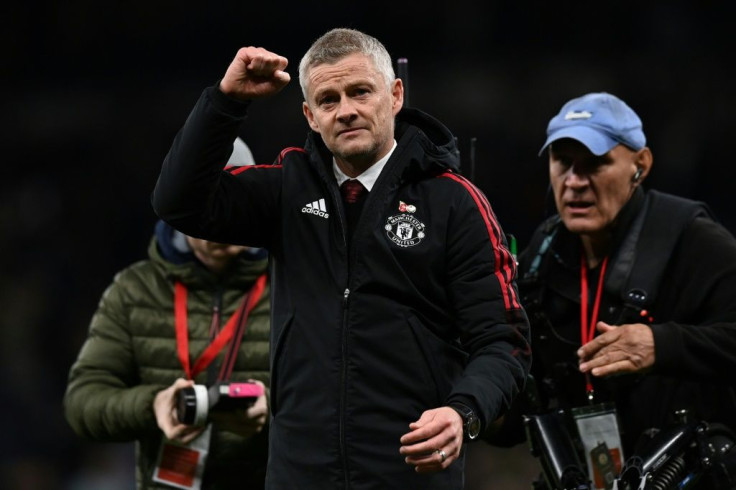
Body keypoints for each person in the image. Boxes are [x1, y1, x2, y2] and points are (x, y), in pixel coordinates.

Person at [151, 27, 531, 489]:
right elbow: (177, 201)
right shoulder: (286, 191)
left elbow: (503, 341)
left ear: (394, 95)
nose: (346, 110)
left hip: (409, 474)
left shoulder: (455, 203)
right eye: (329, 100)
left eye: (360, 92)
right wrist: (227, 100)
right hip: (299, 475)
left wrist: (462, 412)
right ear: (311, 116)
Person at [489, 92, 736, 488]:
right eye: (563, 162)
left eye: (595, 163)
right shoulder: (543, 256)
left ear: (641, 165)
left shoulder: (693, 240)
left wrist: (663, 344)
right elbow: (521, 410)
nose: (574, 181)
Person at [63, 138, 272, 489]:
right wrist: (154, 405)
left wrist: (273, 408)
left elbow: (337, 393)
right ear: (180, 205)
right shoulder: (135, 291)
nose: (219, 218)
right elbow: (82, 402)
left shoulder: (293, 282)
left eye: (231, 198)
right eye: (205, 202)